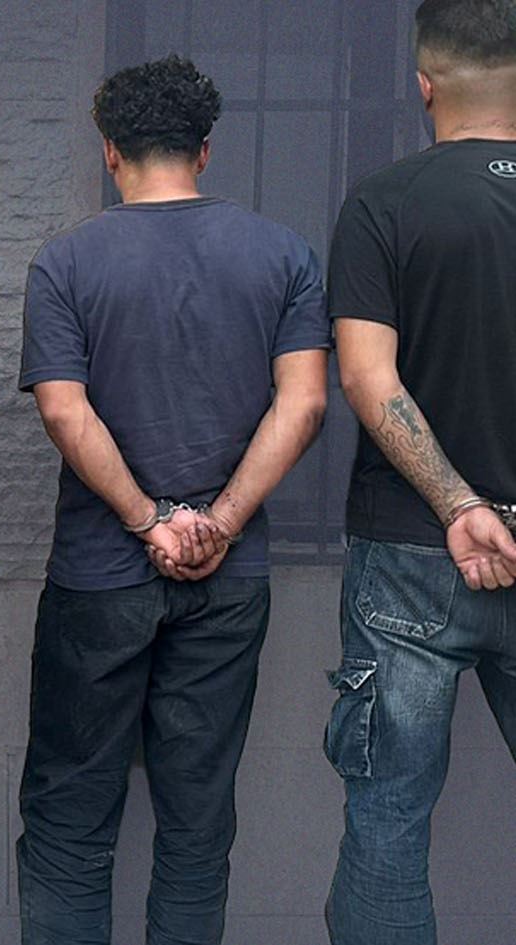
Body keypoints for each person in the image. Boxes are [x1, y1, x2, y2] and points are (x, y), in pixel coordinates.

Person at [15, 55, 331, 945]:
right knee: (197, 816)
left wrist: (146, 519)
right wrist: (219, 521)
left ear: (109, 150)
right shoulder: (284, 254)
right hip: (229, 576)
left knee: (71, 813)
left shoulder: (66, 261)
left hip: (99, 573)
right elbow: (305, 403)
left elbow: (63, 409)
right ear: (206, 148)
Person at [323, 2, 516, 942]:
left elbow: (368, 378)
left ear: (425, 86)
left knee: (388, 820)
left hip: (412, 550)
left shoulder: (384, 202)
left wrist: (460, 503)